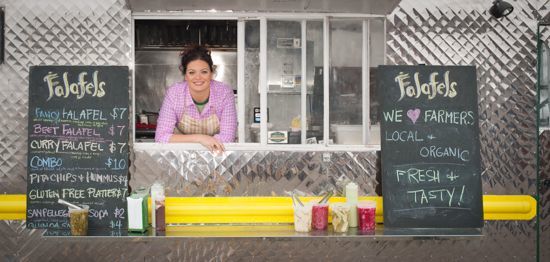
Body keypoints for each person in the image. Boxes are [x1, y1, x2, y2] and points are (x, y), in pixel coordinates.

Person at [155, 45, 237, 153]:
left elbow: (228, 137)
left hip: (218, 155)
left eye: (204, 72)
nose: (198, 77)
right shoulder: (174, 94)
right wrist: (200, 139)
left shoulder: (224, 93)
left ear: (211, 73)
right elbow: (161, 137)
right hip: (181, 157)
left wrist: (207, 144)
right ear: (185, 76)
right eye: (192, 72)